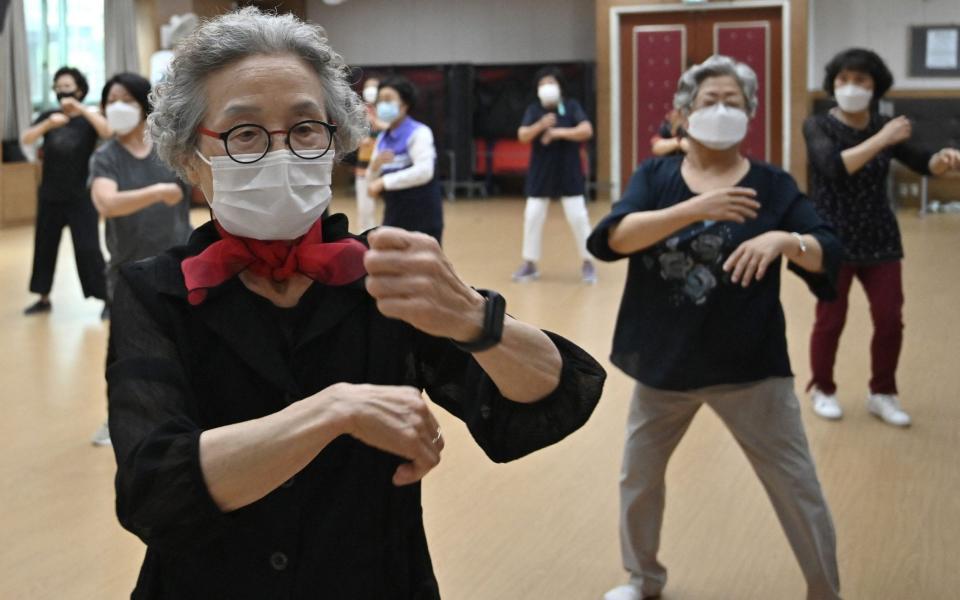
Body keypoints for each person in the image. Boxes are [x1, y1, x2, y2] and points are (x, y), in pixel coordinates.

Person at [108, 8, 605, 598]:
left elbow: (553, 398)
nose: (280, 152)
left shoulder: (382, 275)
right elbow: (155, 490)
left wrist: (475, 318)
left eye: (305, 129)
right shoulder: (157, 292)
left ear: (334, 142)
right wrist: (333, 410)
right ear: (192, 158)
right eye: (244, 133)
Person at [589, 55, 842, 600]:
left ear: (750, 112)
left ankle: (825, 590)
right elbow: (615, 237)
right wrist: (694, 207)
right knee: (639, 479)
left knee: (797, 485)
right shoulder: (655, 177)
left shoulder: (772, 186)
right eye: (710, 101)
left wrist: (785, 242)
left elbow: (829, 252)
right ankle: (643, 579)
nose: (722, 110)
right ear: (683, 113)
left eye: (734, 101)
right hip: (664, 365)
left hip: (750, 368)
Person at [804, 48, 960, 427]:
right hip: (832, 237)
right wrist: (882, 137)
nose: (851, 87)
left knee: (890, 319)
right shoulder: (818, 125)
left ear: (875, 87)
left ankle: (883, 393)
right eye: (843, 80)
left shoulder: (886, 126)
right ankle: (822, 388)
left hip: (880, 237)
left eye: (861, 81)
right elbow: (833, 167)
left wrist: (943, 160)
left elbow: (922, 161)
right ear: (832, 84)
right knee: (830, 319)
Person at [88, 72, 193, 446]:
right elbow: (106, 202)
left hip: (179, 263)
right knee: (124, 348)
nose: (117, 107)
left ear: (143, 105)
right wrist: (156, 192)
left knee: (186, 339)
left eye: (125, 100)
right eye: (110, 101)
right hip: (128, 269)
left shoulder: (167, 151)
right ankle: (116, 418)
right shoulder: (106, 157)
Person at [21, 67, 110, 316]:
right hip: (50, 195)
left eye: (67, 86)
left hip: (81, 196)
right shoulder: (49, 116)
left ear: (79, 90)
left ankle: (106, 299)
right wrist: (48, 124)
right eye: (58, 87)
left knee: (88, 249)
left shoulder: (88, 119)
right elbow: (26, 139)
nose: (62, 91)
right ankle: (43, 298)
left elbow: (107, 131)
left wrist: (81, 110)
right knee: (44, 247)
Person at [512, 67, 596, 284]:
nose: (546, 88)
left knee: (578, 217)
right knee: (533, 216)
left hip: (569, 171)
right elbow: (522, 135)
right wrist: (541, 125)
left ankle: (588, 261)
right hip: (541, 172)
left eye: (550, 83)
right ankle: (530, 263)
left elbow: (586, 130)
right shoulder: (534, 109)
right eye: (542, 84)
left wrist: (558, 133)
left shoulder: (571, 106)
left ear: (559, 86)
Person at [366, 75, 444, 244]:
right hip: (394, 215)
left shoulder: (419, 132)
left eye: (388, 99)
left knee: (423, 267)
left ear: (404, 105)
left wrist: (384, 181)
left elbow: (424, 172)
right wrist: (375, 167)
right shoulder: (382, 138)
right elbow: (371, 181)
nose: (383, 105)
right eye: (380, 101)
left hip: (423, 216)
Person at [353, 76, 387, 232]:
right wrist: (361, 140)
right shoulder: (359, 111)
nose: (370, 90)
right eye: (368, 87)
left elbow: (393, 129)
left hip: (386, 161)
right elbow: (353, 134)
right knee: (365, 203)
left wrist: (376, 121)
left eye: (374, 87)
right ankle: (366, 234)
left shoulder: (388, 110)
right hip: (365, 161)